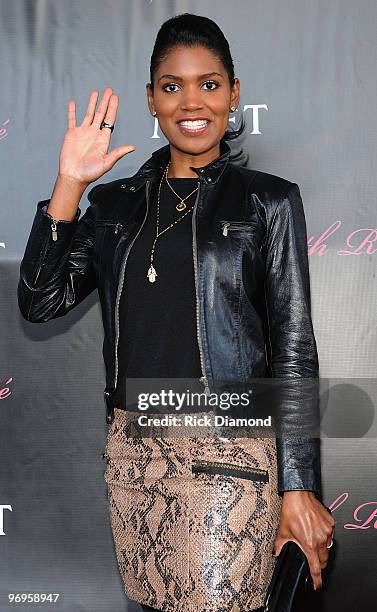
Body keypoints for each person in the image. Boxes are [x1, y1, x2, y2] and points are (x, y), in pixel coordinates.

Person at [18, 12, 335, 612]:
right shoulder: (114, 204)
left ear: (233, 93)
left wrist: (299, 485)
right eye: (172, 86)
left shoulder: (267, 200)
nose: (192, 102)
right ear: (152, 98)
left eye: (209, 84)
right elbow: (40, 301)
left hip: (230, 453)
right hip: (135, 454)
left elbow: (293, 347)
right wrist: (69, 183)